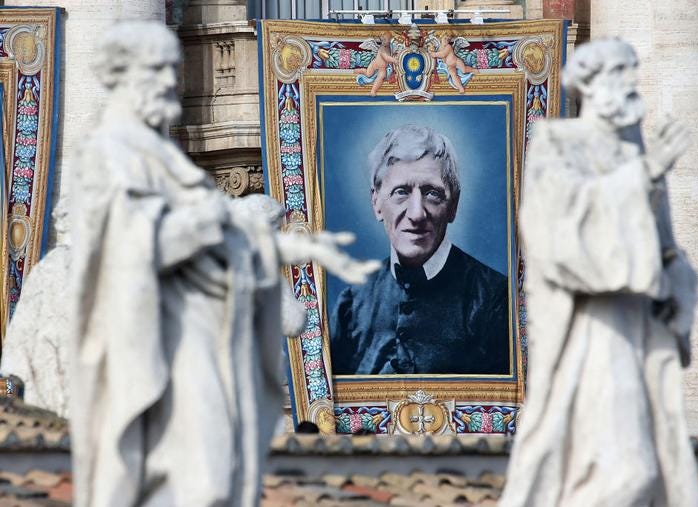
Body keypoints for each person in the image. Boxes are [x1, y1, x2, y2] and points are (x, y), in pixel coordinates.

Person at [70, 21, 377, 507]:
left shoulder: (156, 154)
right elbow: (129, 249)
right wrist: (207, 221)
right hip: (158, 343)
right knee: (200, 475)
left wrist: (288, 249)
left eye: (172, 69)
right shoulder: (111, 154)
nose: (172, 82)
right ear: (125, 76)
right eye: (160, 71)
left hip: (200, 334)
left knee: (217, 475)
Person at [500, 39, 698, 506]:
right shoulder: (556, 144)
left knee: (653, 475)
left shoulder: (635, 152)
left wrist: (680, 286)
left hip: (643, 328)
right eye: (618, 71)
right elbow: (555, 233)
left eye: (632, 71)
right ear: (588, 82)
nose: (630, 82)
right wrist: (646, 173)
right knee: (626, 473)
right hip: (594, 330)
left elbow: (665, 245)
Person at [330, 124, 510, 375]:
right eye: (401, 192)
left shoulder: (496, 299)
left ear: (453, 205)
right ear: (376, 203)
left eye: (432, 193)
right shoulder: (352, 302)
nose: (416, 214)